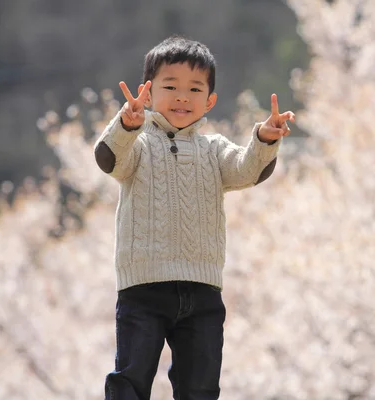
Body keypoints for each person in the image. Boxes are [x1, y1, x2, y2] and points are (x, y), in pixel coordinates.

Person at [94, 35, 295, 400]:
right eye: (170, 86)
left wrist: (265, 138)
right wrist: (126, 124)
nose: (182, 96)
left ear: (210, 100)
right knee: (130, 380)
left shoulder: (214, 149)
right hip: (143, 285)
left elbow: (247, 170)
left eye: (194, 88)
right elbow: (109, 159)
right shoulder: (137, 146)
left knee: (200, 386)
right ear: (149, 92)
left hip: (203, 290)